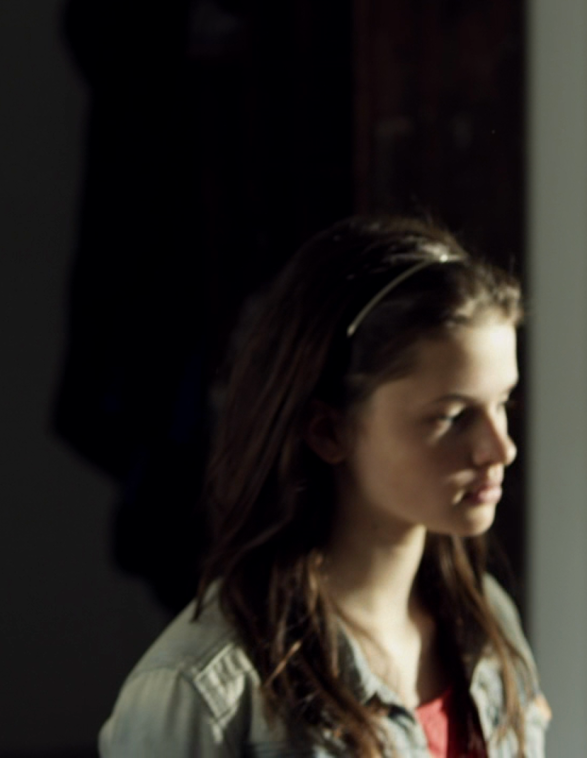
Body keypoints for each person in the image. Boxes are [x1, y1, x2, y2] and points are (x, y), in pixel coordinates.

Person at [99, 216, 551, 757]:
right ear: (329, 431)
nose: (501, 448)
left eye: (503, 404)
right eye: (452, 417)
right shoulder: (201, 691)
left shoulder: (486, 619)